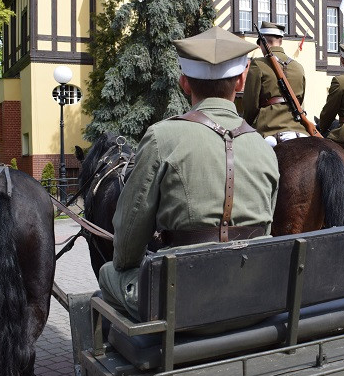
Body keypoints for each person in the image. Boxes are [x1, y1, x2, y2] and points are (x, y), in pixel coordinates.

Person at [98, 26, 280, 320]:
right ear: (241, 80)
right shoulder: (262, 146)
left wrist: (126, 262)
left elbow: (130, 235)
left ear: (184, 83)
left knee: (109, 273)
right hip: (254, 301)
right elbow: (267, 226)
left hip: (183, 305)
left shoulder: (162, 137)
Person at [242, 21, 308, 145]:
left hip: (268, 129)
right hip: (298, 129)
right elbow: (300, 101)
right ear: (281, 41)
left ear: (262, 43)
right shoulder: (298, 67)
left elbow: (250, 104)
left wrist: (247, 124)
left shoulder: (258, 64)